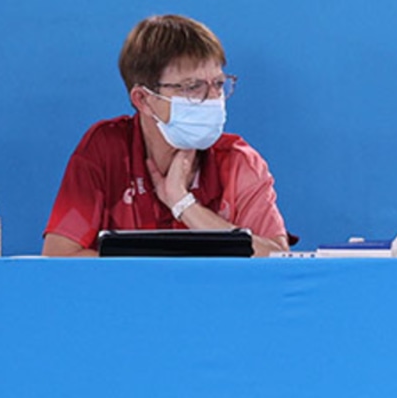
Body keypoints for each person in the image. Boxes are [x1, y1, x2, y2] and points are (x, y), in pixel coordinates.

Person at [43, 15, 287, 257]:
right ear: (143, 99)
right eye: (193, 87)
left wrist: (183, 204)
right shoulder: (105, 148)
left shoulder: (239, 161)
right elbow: (59, 258)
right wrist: (164, 276)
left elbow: (277, 260)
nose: (213, 98)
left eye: (218, 84)